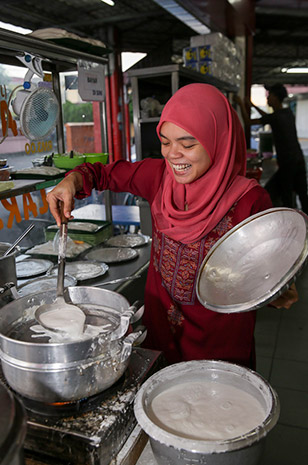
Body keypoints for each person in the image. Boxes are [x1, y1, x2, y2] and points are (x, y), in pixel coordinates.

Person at [47, 83, 297, 369]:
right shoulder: (158, 177)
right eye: (166, 142)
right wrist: (72, 180)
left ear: (219, 140)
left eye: (187, 144)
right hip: (161, 333)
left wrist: (275, 290)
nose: (173, 155)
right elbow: (102, 173)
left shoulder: (249, 201)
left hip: (221, 345)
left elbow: (264, 272)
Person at [238, 83, 308, 214]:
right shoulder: (286, 113)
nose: (267, 99)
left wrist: (241, 104)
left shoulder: (276, 116)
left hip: (288, 163)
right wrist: (251, 105)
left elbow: (248, 122)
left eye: (269, 96)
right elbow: (267, 118)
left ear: (275, 98)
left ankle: (292, 228)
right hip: (298, 160)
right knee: (303, 197)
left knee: (286, 199)